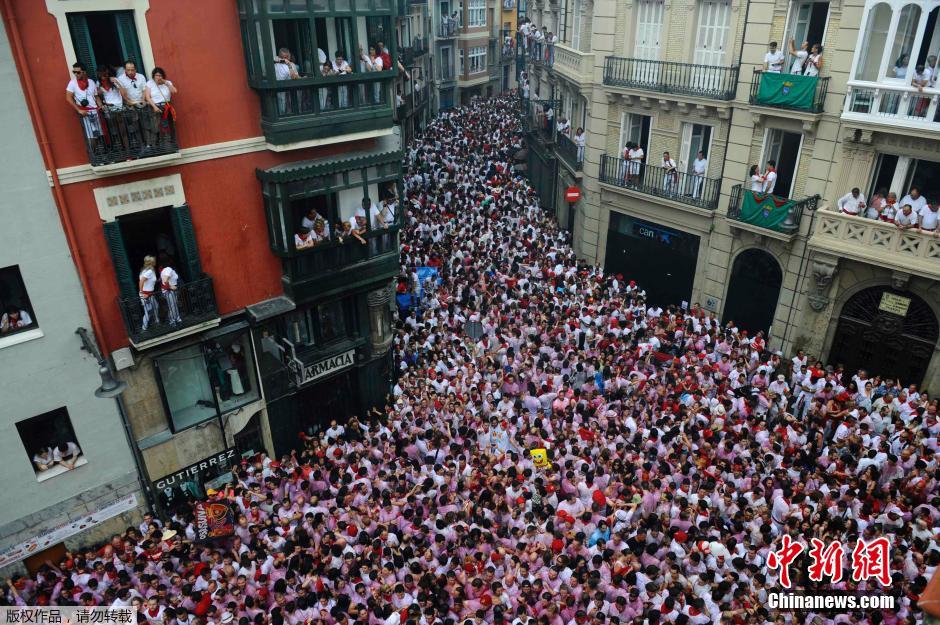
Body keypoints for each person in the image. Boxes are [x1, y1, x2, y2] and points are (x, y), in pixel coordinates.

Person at [66, 62, 103, 151]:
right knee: (91, 136)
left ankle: (98, 152)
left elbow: (96, 96)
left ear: (84, 72)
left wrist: (101, 106)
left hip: (95, 112)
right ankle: (93, 154)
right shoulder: (72, 83)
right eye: (74, 72)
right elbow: (68, 97)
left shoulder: (91, 82)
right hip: (85, 112)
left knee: (98, 134)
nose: (76, 74)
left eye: (78, 72)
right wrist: (79, 110)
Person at [144, 67, 177, 149]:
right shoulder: (150, 83)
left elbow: (174, 91)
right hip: (155, 107)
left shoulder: (167, 82)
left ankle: (170, 146)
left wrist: (166, 83)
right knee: (156, 127)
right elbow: (147, 97)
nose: (158, 77)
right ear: (153, 76)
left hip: (166, 107)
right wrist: (154, 107)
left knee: (168, 126)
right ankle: (156, 147)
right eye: (157, 75)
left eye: (160, 75)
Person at [138, 255, 159, 331]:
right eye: (154, 261)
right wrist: (142, 292)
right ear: (152, 262)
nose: (155, 262)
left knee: (156, 306)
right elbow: (141, 281)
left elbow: (149, 281)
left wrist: (158, 281)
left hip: (150, 294)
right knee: (148, 311)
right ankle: (144, 328)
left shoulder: (145, 270)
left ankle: (156, 321)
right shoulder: (149, 271)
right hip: (146, 294)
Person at [159, 255, 181, 326]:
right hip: (169, 291)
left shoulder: (165, 269)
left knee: (174, 305)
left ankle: (177, 319)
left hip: (168, 291)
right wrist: (171, 287)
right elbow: (165, 280)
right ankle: (172, 321)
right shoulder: (168, 269)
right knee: (173, 306)